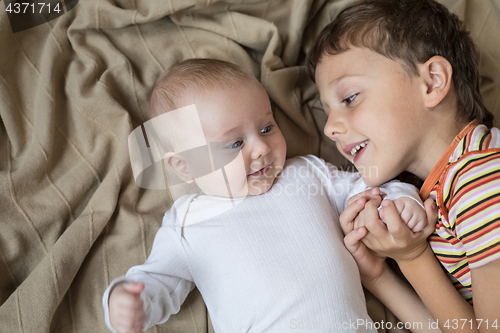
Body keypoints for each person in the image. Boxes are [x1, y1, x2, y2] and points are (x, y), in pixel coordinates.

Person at [102, 59, 436, 333]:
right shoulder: (188, 223)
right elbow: (158, 280)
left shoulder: (306, 173)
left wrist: (402, 199)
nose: (261, 148)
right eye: (235, 143)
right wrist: (129, 302)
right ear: (185, 166)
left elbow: (368, 188)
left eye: (266, 128)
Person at [307, 0, 500, 331]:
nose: (330, 128)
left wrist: (412, 258)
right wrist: (379, 275)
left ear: (432, 82)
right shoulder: (445, 182)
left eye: (349, 98)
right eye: (326, 112)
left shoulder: (481, 179)